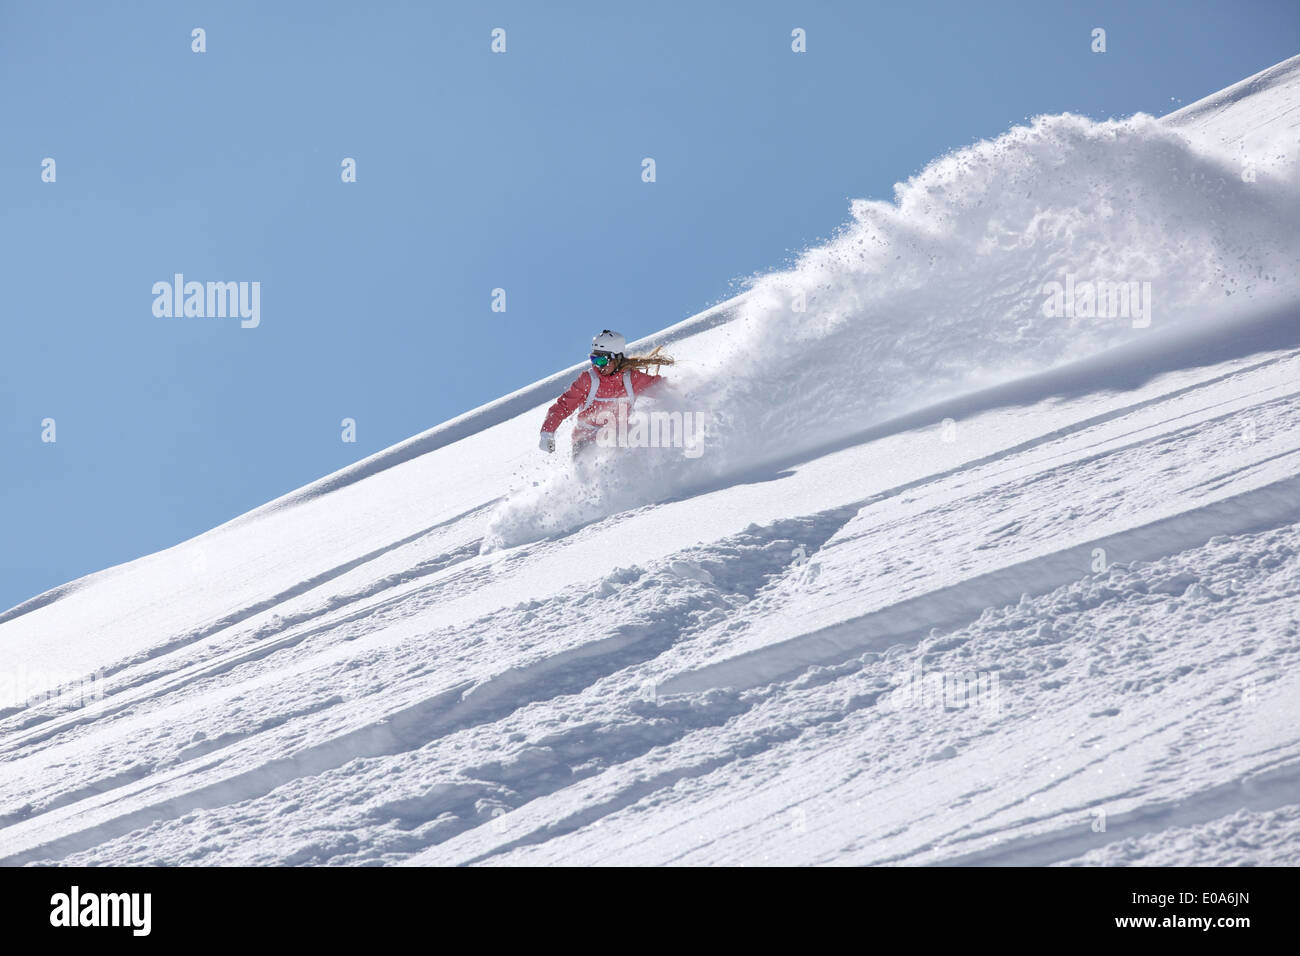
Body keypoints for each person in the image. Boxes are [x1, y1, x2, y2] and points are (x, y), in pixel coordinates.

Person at [539, 330, 673, 455]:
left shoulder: (631, 379)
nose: (598, 365)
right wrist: (547, 433)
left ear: (617, 358)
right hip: (586, 441)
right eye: (594, 360)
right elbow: (563, 406)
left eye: (602, 360)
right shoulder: (588, 380)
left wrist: (688, 389)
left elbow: (662, 388)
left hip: (619, 441)